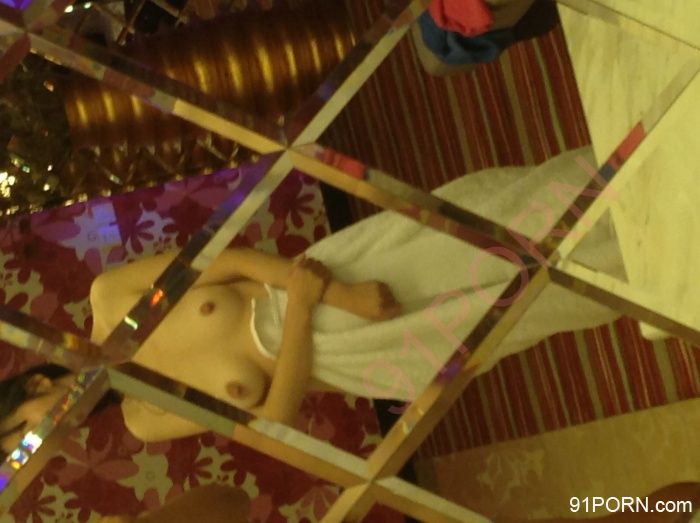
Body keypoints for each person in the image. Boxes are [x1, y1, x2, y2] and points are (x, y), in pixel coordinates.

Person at [2, 146, 625, 445]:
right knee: (529, 310)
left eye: (23, 432)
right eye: (24, 451)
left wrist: (337, 296)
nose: (38, 441)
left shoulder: (110, 298)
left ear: (36, 386)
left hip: (333, 284)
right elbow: (273, 417)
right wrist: (302, 314)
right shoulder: (144, 421)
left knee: (498, 228)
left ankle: (634, 173)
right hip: (352, 358)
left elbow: (224, 261)